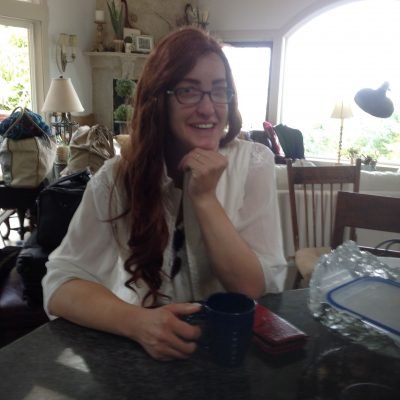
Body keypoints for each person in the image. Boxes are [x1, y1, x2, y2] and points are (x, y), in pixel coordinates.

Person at [42, 26, 287, 361]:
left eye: (219, 91)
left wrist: (205, 198)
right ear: (159, 99)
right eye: (189, 91)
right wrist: (137, 323)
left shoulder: (254, 163)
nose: (208, 108)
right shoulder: (116, 178)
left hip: (229, 353)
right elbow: (59, 284)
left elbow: (252, 288)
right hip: (145, 355)